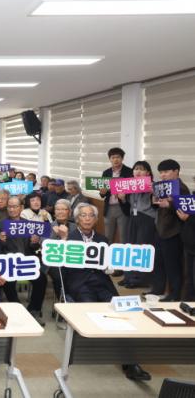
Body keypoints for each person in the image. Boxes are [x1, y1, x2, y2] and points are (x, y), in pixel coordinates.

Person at [64, 203, 151, 382]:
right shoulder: (68, 239)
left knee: (123, 314)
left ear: (96, 219)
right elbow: (61, 268)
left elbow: (108, 263)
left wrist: (110, 267)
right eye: (83, 215)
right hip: (80, 284)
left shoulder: (103, 240)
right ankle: (98, 349)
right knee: (92, 311)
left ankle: (131, 364)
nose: (87, 219)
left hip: (102, 283)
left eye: (91, 215)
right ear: (77, 219)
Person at [0, 196, 46, 324]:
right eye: (9, 206)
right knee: (8, 281)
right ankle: (18, 310)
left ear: (21, 208)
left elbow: (34, 248)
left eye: (15, 206)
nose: (12, 209)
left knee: (41, 279)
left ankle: (34, 310)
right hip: (9, 263)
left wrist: (34, 242)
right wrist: (0, 240)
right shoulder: (0, 225)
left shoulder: (29, 225)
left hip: (26, 263)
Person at [154, 159, 190, 301]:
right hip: (161, 230)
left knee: (173, 266)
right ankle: (158, 290)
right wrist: (153, 196)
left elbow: (185, 210)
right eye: (161, 172)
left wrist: (169, 204)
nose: (163, 175)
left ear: (176, 171)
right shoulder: (163, 187)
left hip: (173, 232)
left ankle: (174, 295)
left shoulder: (182, 188)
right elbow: (157, 205)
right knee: (160, 263)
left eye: (166, 171)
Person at [119, 161, 157, 289]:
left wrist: (153, 192)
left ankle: (140, 279)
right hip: (132, 217)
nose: (138, 172)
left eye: (142, 169)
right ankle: (129, 276)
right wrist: (122, 198)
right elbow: (126, 208)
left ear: (148, 172)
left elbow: (157, 205)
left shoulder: (153, 185)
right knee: (130, 247)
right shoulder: (130, 185)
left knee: (142, 248)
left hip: (147, 218)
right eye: (136, 169)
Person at [100, 147, 134, 244]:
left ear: (122, 158)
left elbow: (132, 190)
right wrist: (102, 192)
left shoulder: (129, 172)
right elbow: (102, 194)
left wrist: (123, 196)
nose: (115, 160)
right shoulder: (106, 172)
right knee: (108, 236)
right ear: (110, 159)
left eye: (118, 157)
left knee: (124, 236)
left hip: (123, 207)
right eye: (113, 157)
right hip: (109, 208)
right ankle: (107, 253)